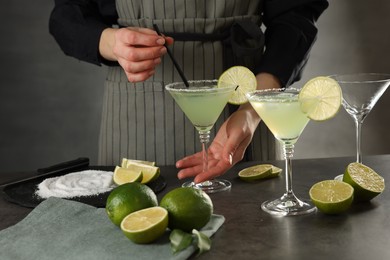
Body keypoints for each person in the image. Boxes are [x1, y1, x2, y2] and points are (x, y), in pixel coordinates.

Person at [49, 0, 329, 184]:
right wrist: (112, 43)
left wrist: (254, 110)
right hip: (135, 109)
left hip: (246, 107)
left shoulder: (251, 110)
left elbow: (295, 18)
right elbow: (67, 15)